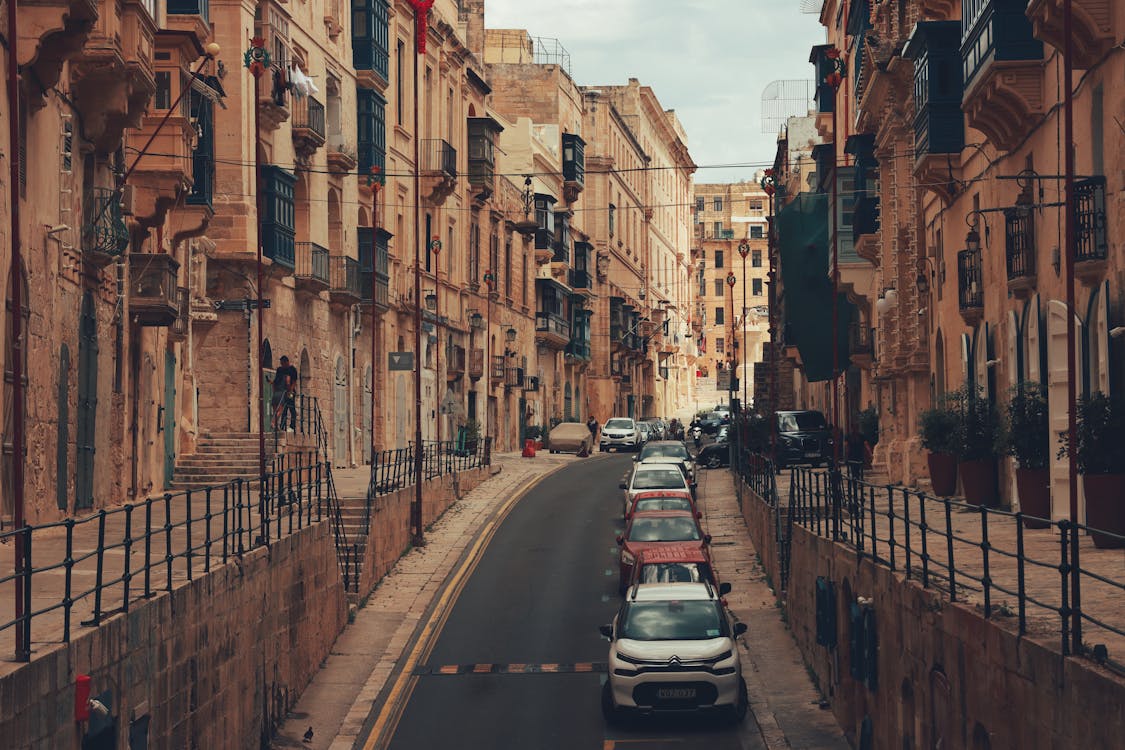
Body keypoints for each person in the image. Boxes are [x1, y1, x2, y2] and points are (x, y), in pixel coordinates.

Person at [274, 356, 300, 432]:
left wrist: (290, 391)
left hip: (290, 392)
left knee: (291, 408)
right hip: (282, 392)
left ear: (287, 362)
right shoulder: (280, 370)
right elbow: (277, 380)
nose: (282, 365)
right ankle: (282, 426)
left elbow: (294, 382)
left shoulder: (292, 370)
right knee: (284, 408)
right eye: (281, 363)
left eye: (283, 363)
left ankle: (292, 426)